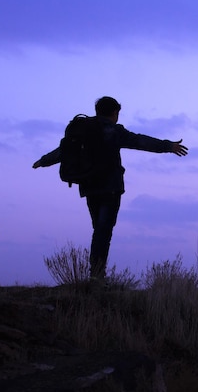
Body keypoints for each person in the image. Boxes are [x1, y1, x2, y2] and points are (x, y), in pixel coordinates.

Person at [32, 96, 188, 279]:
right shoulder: (112, 131)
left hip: (89, 186)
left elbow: (64, 151)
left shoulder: (84, 131)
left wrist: (43, 161)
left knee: (99, 229)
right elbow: (140, 141)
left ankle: (96, 274)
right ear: (115, 113)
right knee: (103, 231)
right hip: (110, 188)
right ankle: (97, 276)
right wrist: (168, 146)